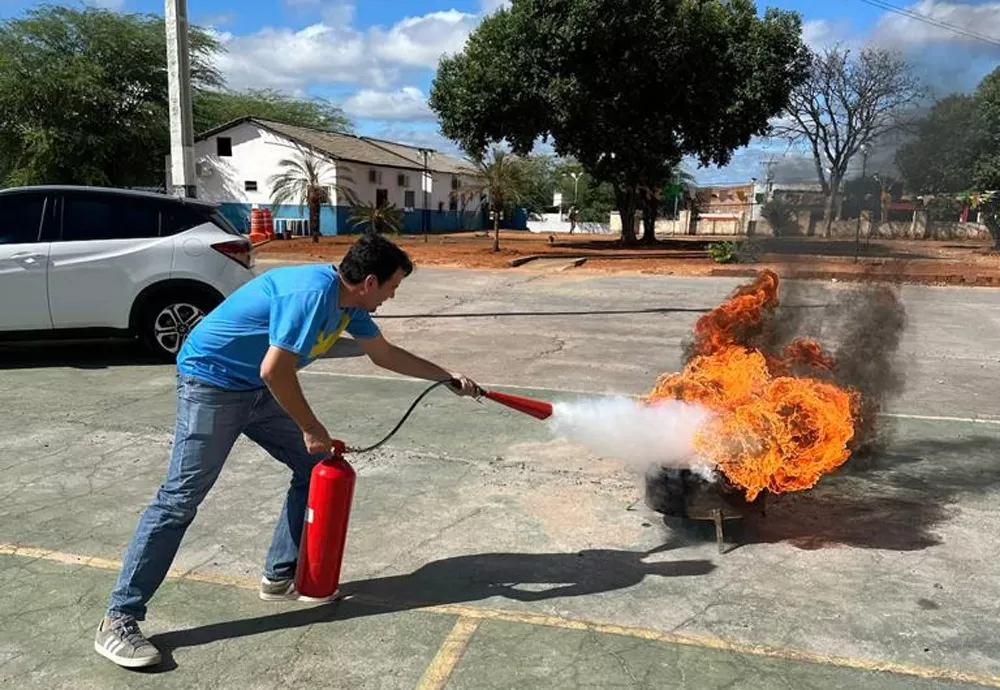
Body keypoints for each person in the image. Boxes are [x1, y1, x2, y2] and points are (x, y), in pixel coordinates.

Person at [94, 231, 479, 669]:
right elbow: (275, 369)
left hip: (255, 388)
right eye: (393, 286)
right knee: (180, 500)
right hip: (212, 384)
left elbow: (384, 355)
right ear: (369, 282)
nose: (392, 296)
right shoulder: (311, 295)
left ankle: (280, 574)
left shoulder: (349, 304)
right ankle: (119, 619)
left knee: (312, 466)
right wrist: (311, 426)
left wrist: (445, 375)